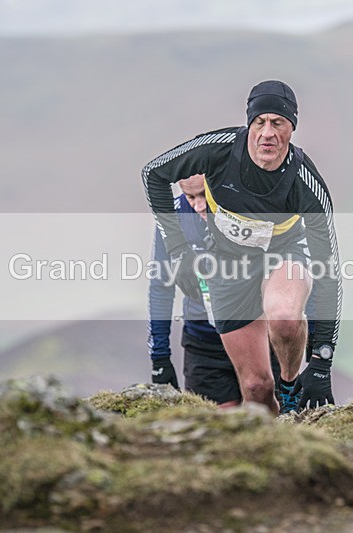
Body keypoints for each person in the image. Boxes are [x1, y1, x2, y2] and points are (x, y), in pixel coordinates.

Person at [142, 80, 341, 414]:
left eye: (278, 123)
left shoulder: (306, 184)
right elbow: (153, 174)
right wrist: (179, 251)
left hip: (282, 254)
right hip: (229, 265)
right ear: (249, 124)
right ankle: (268, 434)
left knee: (284, 316)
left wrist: (322, 360)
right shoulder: (217, 150)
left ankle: (289, 390)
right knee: (256, 388)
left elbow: (328, 272)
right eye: (259, 122)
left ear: (292, 128)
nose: (267, 133)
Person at [147, 174, 281, 408]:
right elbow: (161, 285)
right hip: (204, 343)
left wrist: (313, 345)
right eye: (190, 197)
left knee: (271, 419)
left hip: (256, 338)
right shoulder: (173, 217)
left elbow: (293, 269)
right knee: (219, 426)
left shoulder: (248, 207)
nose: (199, 206)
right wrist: (160, 357)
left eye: (204, 194)